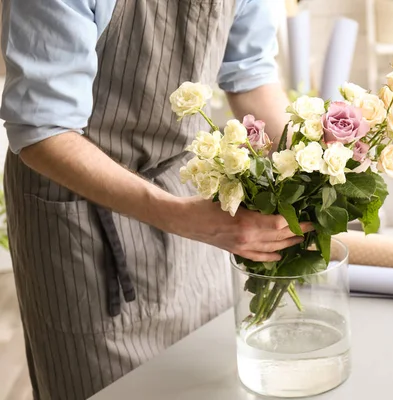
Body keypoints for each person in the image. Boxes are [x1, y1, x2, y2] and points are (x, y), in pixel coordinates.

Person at [1, 1, 309, 399]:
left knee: (207, 380)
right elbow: (43, 130)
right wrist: (187, 218)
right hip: (80, 225)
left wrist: (312, 172)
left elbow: (249, 75)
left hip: (190, 204)